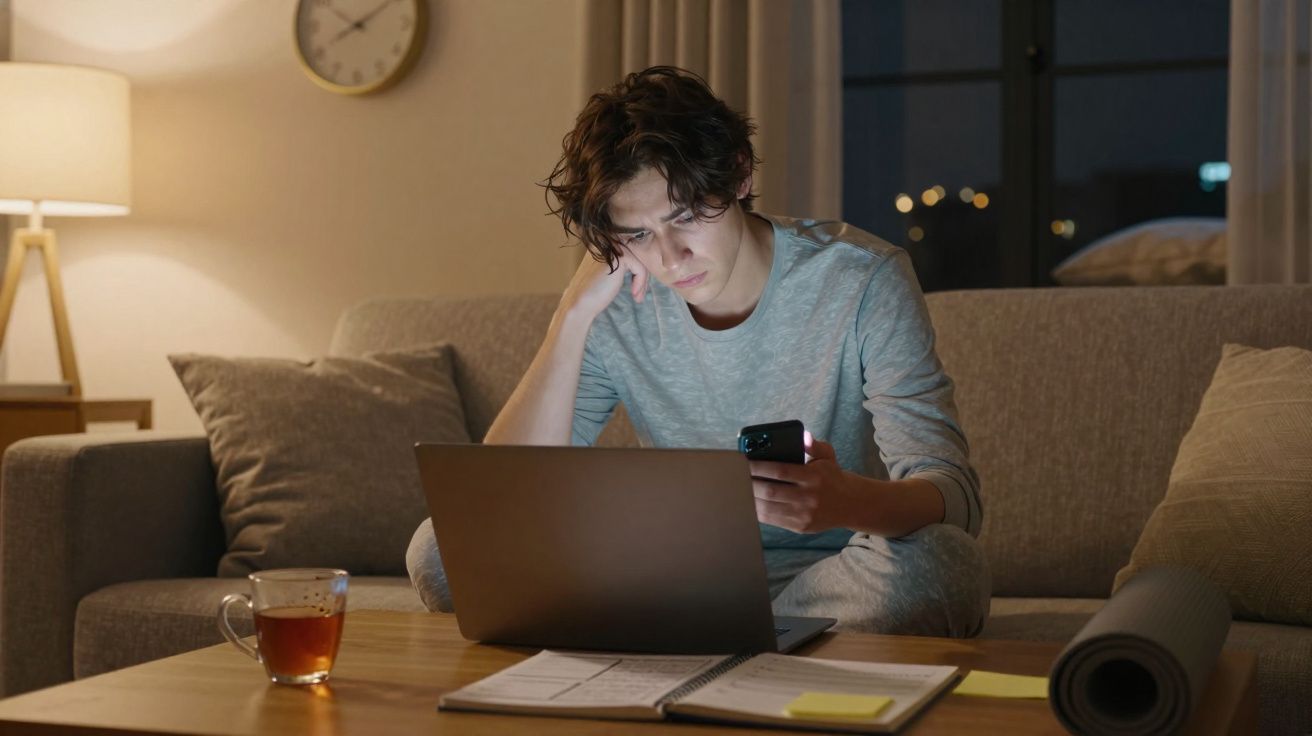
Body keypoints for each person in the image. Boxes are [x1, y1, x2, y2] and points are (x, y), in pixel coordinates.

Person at [407, 66, 989, 637]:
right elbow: (502, 495)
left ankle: (714, 636)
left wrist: (845, 503)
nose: (669, 258)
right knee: (442, 547)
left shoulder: (863, 279)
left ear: (738, 175)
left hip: (833, 577)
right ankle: (740, 638)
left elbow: (952, 495)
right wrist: (571, 317)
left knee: (941, 567)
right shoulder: (618, 297)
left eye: (685, 217)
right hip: (671, 576)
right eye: (637, 234)